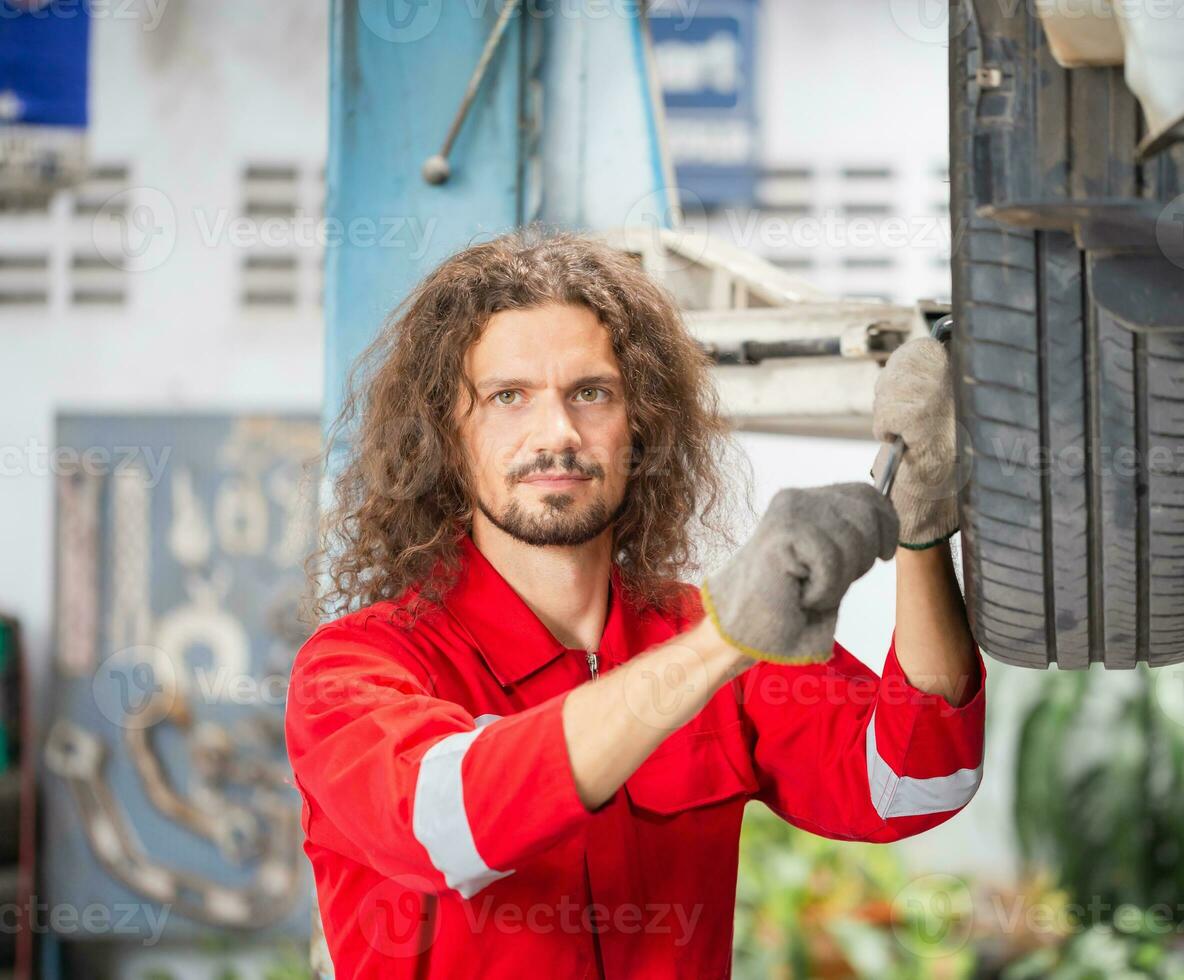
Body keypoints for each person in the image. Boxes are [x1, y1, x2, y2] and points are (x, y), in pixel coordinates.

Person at [285, 227, 986, 978]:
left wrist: (920, 532)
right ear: (447, 441)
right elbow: (445, 822)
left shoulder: (697, 634)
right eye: (508, 397)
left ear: (640, 431)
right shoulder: (357, 669)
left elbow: (912, 785)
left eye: (591, 394)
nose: (556, 433)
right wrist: (725, 638)